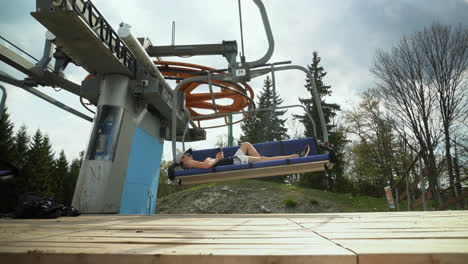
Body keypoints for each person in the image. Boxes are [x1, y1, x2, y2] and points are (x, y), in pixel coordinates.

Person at [176, 142, 310, 170]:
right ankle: (295, 156)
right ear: (183, 159)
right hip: (233, 162)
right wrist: (216, 158)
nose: (190, 155)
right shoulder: (189, 164)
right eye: (188, 154)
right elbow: (206, 166)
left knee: (246, 145)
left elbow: (207, 164)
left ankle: (259, 162)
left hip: (232, 161)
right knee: (263, 160)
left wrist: (216, 158)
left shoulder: (190, 163)